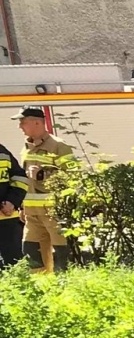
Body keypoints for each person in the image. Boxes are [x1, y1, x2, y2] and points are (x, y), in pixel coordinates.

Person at [16, 107, 76, 273]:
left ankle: (64, 288)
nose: (20, 126)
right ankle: (40, 291)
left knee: (61, 253)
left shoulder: (59, 146)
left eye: (23, 122)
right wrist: (22, 206)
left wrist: (45, 174)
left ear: (37, 122)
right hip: (31, 213)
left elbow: (74, 175)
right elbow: (27, 180)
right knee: (31, 252)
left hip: (54, 211)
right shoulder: (26, 147)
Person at [0, 137, 29, 267]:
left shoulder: (2, 152)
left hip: (7, 218)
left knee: (15, 263)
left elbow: (20, 177)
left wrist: (12, 201)